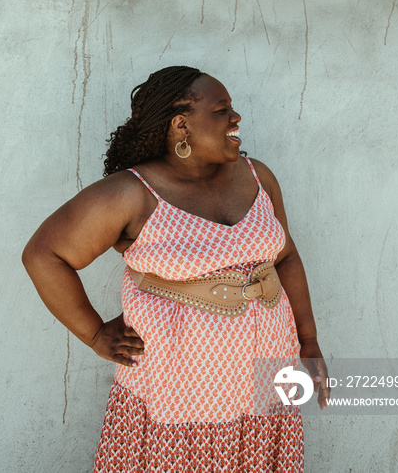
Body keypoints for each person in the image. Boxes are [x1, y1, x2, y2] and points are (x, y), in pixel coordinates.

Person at [22, 65, 329, 472]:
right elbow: (44, 254)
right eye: (222, 110)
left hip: (265, 369)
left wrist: (308, 341)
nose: (235, 118)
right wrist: (94, 333)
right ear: (181, 124)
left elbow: (285, 256)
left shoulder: (257, 177)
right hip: (179, 384)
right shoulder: (132, 193)